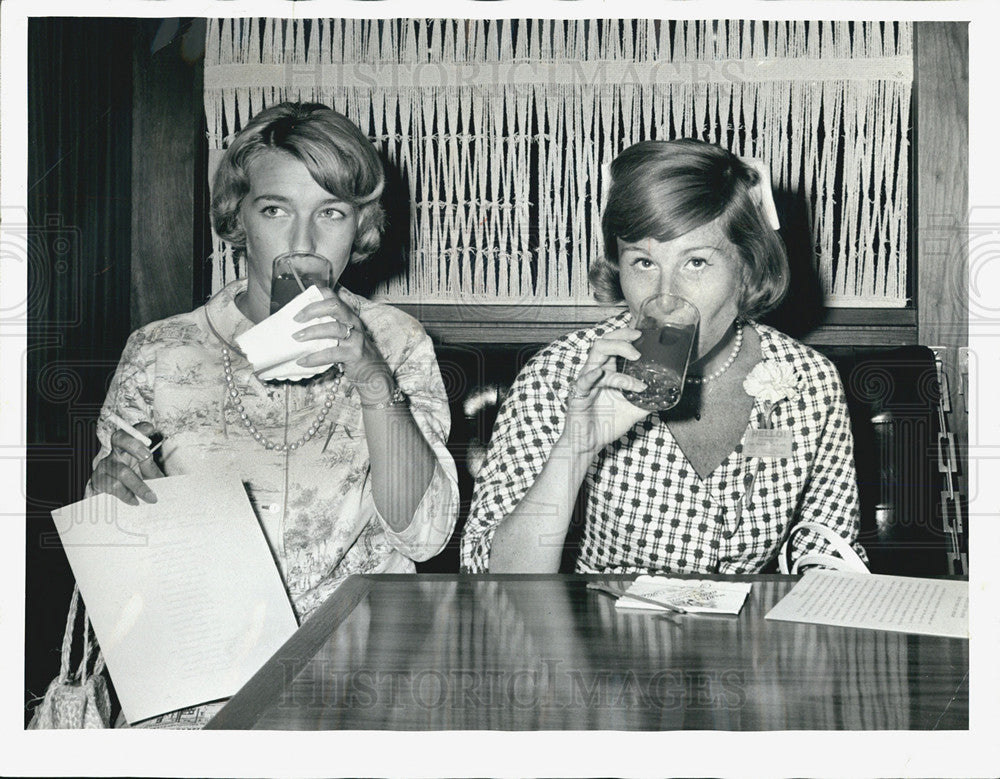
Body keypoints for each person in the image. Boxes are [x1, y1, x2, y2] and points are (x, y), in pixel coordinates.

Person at [89, 102, 459, 726]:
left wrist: (371, 376)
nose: (303, 244)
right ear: (238, 218)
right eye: (276, 210)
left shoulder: (397, 342)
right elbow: (121, 552)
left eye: (331, 213)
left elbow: (425, 534)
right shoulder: (158, 351)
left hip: (359, 679)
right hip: (202, 680)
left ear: (360, 227)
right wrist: (108, 497)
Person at [460, 139, 865, 574]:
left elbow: (829, 554)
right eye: (643, 263)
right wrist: (577, 447)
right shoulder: (560, 374)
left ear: (748, 268)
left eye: (696, 263)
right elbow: (491, 581)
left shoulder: (809, 382)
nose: (666, 297)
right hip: (597, 637)